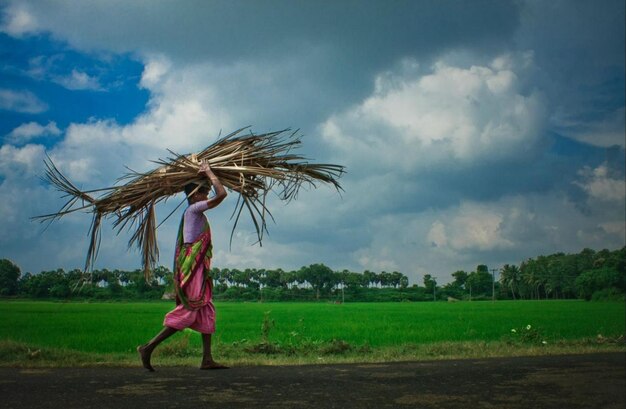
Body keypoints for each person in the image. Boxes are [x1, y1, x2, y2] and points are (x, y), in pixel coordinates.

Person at [137, 162, 228, 371]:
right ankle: (148, 347)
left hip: (198, 269)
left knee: (206, 310)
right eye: (204, 191)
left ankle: (207, 359)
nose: (207, 194)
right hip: (193, 269)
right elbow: (222, 194)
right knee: (190, 309)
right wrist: (209, 172)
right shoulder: (195, 209)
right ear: (194, 195)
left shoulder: (193, 212)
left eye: (207, 191)